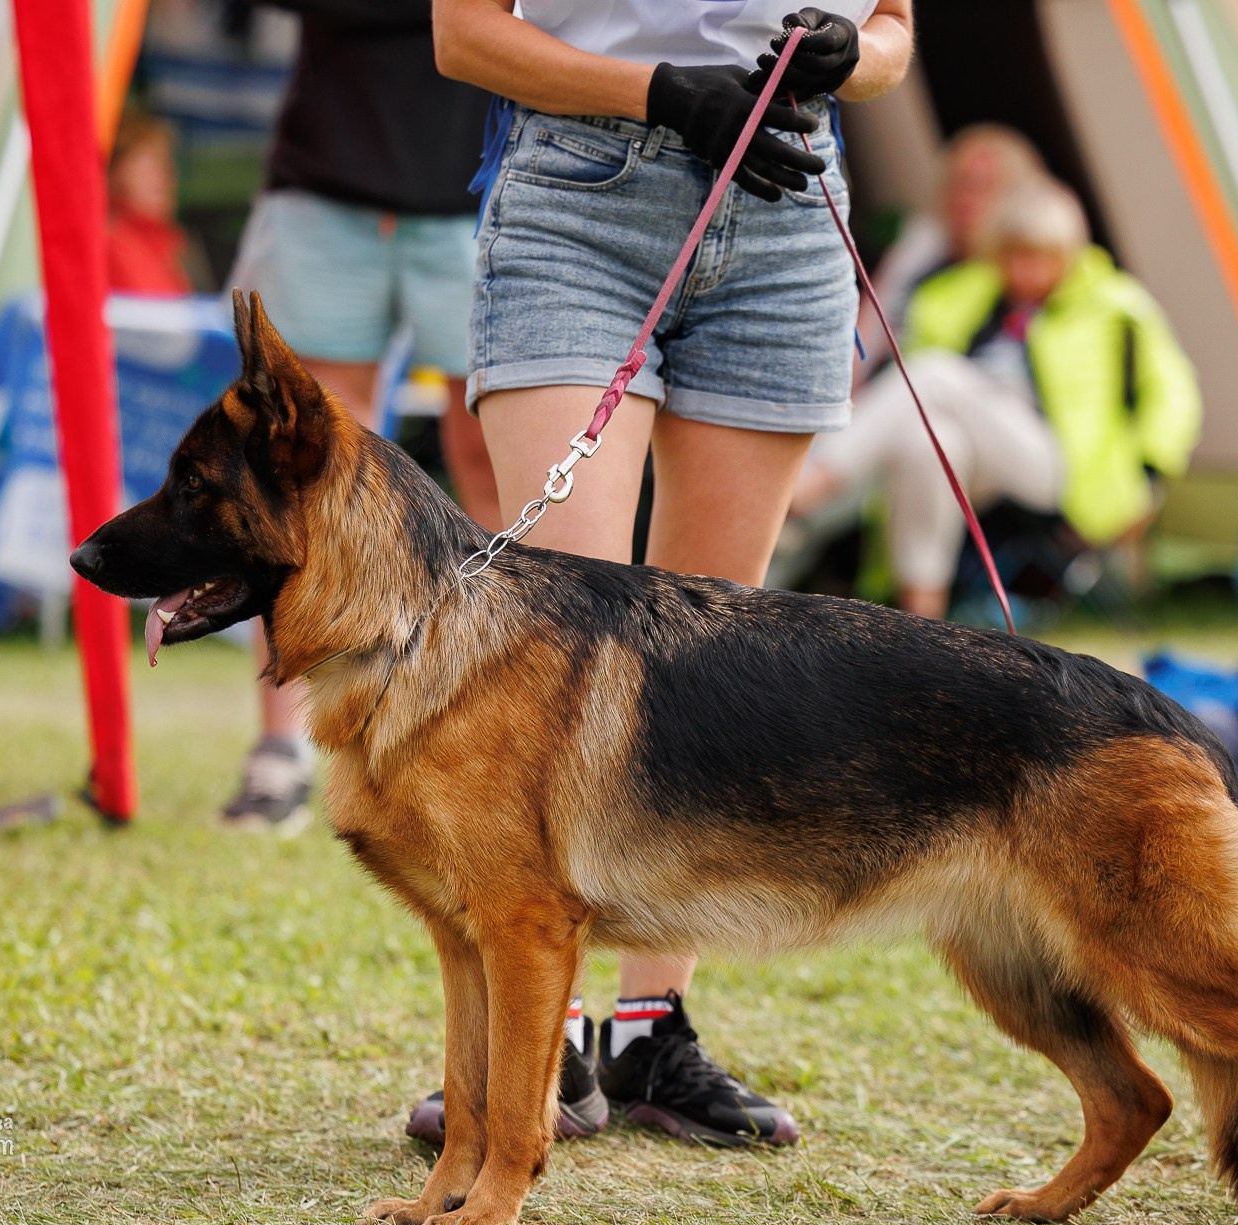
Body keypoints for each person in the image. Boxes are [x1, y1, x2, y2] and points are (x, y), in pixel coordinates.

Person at [425, 0, 913, 1148]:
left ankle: (648, 1029)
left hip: (790, 203)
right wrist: (653, 90)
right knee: (553, 667)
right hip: (583, 191)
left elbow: (891, 32)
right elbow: (461, 35)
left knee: (708, 665)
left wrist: (857, 60)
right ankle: (535, 1047)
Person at [221, 1, 503, 834]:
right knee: (296, 471)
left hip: (477, 183)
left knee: (490, 458)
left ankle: (500, 726)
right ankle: (283, 745)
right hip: (327, 183)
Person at [789, 174, 1201, 619]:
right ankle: (922, 616)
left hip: (1067, 465)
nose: (1027, 271)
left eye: (1042, 257)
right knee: (931, 443)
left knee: (933, 373)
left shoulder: (1114, 304)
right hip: (979, 454)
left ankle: (812, 483)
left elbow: (1173, 392)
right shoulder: (965, 294)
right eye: (1015, 256)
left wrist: (1148, 476)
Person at [857, 123, 1045, 384]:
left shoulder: (1025, 271)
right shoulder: (924, 247)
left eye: (981, 187)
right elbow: (865, 336)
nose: (964, 199)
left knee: (934, 373)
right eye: (958, 183)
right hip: (900, 397)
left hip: (973, 396)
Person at [105, 112, 195, 296]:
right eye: (148, 162)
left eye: (166, 163)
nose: (164, 175)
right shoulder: (109, 241)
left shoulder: (168, 246)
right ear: (113, 171)